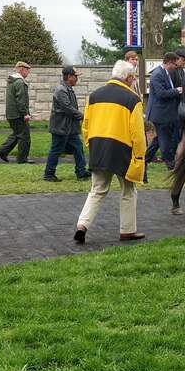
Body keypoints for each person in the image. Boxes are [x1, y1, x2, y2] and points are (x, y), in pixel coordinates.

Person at [74, 60, 146, 245]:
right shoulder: (133, 99)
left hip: (99, 147)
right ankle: (127, 230)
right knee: (128, 191)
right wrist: (139, 157)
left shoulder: (94, 96)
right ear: (129, 78)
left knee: (97, 190)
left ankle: (82, 225)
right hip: (123, 150)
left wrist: (90, 144)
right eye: (133, 78)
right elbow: (137, 133)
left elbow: (86, 125)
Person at [44, 66, 91, 183]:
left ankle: (81, 172)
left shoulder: (67, 88)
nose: (77, 79)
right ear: (69, 76)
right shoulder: (61, 90)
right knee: (56, 150)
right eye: (75, 76)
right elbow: (68, 108)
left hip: (69, 128)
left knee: (78, 148)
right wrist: (84, 116)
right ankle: (49, 174)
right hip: (61, 128)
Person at [145, 52, 182, 170]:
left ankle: (144, 159)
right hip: (160, 113)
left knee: (159, 139)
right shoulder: (157, 75)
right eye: (175, 64)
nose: (176, 67)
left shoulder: (165, 73)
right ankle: (170, 163)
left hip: (165, 112)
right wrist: (177, 90)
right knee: (165, 140)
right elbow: (161, 94)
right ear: (169, 63)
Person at [0, 61, 33, 163]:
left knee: (18, 134)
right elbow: (21, 100)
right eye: (27, 70)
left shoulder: (11, 81)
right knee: (25, 137)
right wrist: (25, 114)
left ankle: (3, 151)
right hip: (18, 114)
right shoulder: (20, 82)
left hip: (11, 114)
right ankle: (22, 159)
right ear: (22, 69)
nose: (28, 72)